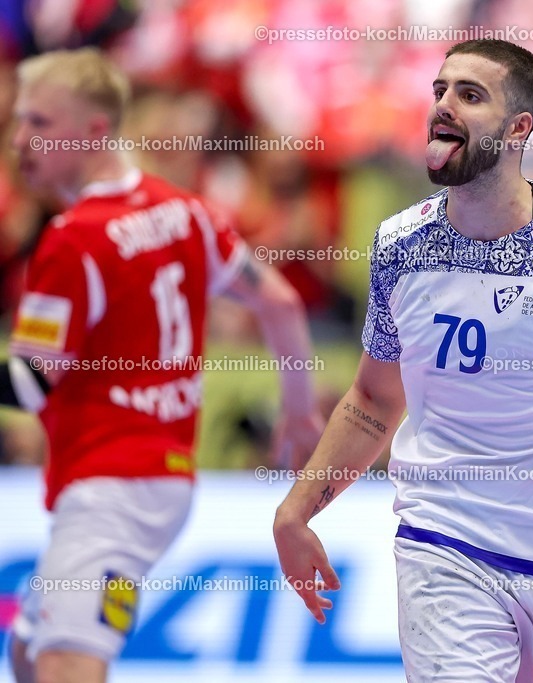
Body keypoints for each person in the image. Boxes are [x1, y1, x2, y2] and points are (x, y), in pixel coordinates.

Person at [274, 39, 533, 680]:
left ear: (519, 129)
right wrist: (296, 509)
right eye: (439, 91)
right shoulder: (400, 244)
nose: (443, 106)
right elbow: (374, 400)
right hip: (444, 538)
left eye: (470, 96)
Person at [5, 48, 324, 683]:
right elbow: (280, 302)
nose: (20, 141)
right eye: (18, 121)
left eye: (40, 123)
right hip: (162, 476)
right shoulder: (187, 212)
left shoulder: (74, 239)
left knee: (65, 663)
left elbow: (31, 381)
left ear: (95, 131)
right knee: (27, 653)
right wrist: (299, 410)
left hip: (111, 485)